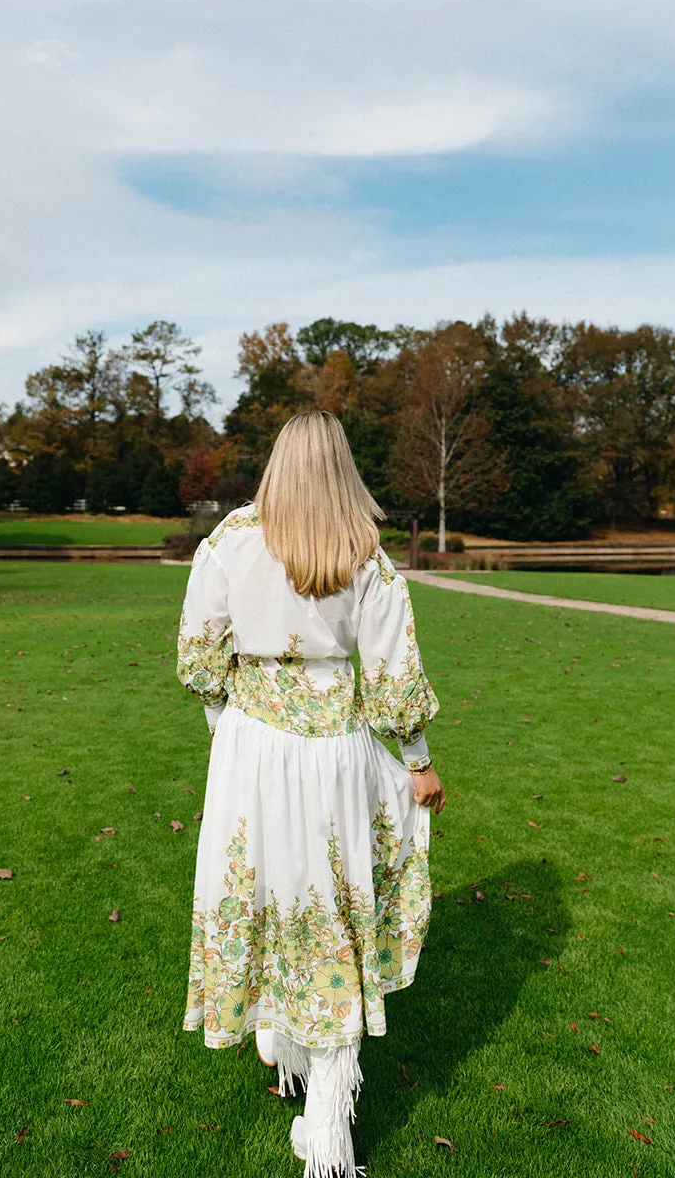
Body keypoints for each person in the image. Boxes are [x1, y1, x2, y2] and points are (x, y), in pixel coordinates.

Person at [176, 410, 444, 1176]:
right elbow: (394, 678)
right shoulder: (364, 553)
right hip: (330, 752)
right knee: (329, 905)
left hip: (249, 746)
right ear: (341, 467)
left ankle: (314, 1111)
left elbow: (200, 656)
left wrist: (224, 729)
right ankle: (316, 1103)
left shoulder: (230, 538)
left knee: (265, 887)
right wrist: (418, 760)